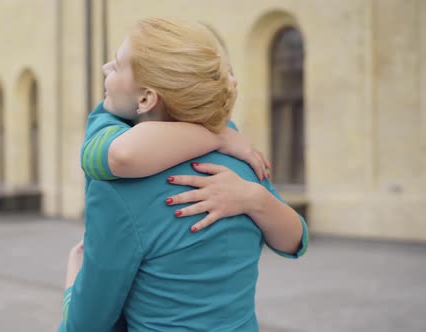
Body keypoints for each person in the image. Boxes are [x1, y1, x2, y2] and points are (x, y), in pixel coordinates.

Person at [59, 18, 308, 331]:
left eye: (119, 66)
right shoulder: (241, 160)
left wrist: (73, 280)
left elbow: (86, 323)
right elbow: (295, 240)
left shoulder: (117, 189)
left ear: (147, 98)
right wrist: (249, 187)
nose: (106, 67)